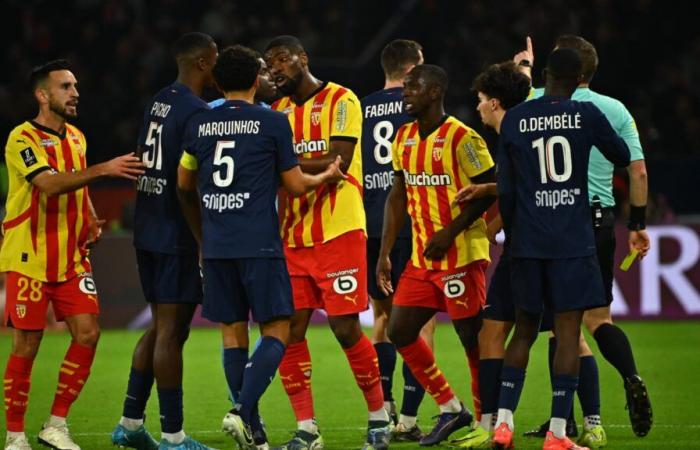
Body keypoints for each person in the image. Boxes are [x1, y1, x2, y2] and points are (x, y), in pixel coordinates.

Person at [176, 44, 345, 450]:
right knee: (277, 329)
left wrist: (202, 238)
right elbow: (295, 184)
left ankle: (252, 426)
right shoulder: (272, 122)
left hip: (216, 246)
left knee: (233, 333)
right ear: (256, 80)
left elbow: (183, 186)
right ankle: (241, 411)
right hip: (259, 244)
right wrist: (327, 176)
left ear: (217, 81)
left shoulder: (199, 122)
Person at [449, 61, 604, 450]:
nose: (478, 107)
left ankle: (582, 421)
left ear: (496, 103)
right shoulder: (521, 129)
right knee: (505, 331)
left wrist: (493, 213)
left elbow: (518, 192)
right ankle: (498, 424)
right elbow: (512, 186)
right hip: (537, 251)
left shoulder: (515, 131)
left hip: (532, 253)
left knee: (556, 333)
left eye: (482, 101)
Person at [490, 48, 630, 450]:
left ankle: (502, 425)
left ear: (546, 74)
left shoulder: (515, 118)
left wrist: (515, 235)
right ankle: (556, 435)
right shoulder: (585, 114)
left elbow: (506, 188)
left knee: (523, 332)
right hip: (572, 240)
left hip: (528, 242)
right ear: (580, 77)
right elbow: (621, 155)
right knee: (567, 335)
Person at [1, 59, 145, 450]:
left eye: (76, 85)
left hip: (70, 259)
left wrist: (93, 219)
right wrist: (104, 169)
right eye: (66, 86)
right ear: (42, 95)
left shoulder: (77, 139)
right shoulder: (21, 138)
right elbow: (47, 185)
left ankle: (56, 425)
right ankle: (15, 435)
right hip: (29, 258)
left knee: (89, 333)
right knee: (27, 346)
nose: (75, 92)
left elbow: (77, 192)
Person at [516, 35, 652, 439]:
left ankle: (572, 419)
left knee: (560, 329)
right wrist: (639, 226)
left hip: (555, 223)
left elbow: (513, 95)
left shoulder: (538, 99)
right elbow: (638, 171)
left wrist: (524, 65)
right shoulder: (616, 109)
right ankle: (629, 376)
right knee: (597, 320)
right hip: (602, 220)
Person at [264, 35, 390, 450]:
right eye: (270, 64)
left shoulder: (342, 100)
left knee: (345, 326)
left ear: (304, 58)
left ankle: (379, 418)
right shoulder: (277, 112)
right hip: (293, 235)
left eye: (282, 60)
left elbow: (339, 160)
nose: (276, 69)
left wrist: (282, 163)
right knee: (290, 329)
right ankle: (306, 428)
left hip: (339, 228)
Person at [110, 32, 218, 450]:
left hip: (147, 226)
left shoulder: (161, 99)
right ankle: (174, 437)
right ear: (204, 63)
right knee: (173, 332)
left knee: (162, 329)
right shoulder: (195, 111)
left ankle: (131, 424)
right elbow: (187, 183)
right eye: (216, 60)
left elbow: (142, 159)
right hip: (175, 233)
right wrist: (202, 238)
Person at [378, 64, 496, 446]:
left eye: (412, 88)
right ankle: (450, 407)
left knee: (471, 339)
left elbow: (490, 191)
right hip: (422, 258)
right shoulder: (403, 136)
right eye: (404, 87)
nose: (404, 93)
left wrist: (451, 231)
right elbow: (397, 196)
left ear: (434, 92)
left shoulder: (463, 138)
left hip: (461, 254)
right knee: (400, 331)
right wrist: (383, 252)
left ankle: (487, 422)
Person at [360, 39, 432, 442]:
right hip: (413, 223)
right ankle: (408, 417)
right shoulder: (418, 105)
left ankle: (384, 407)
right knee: (422, 324)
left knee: (383, 319)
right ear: (411, 70)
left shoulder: (360, 107)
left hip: (371, 225)